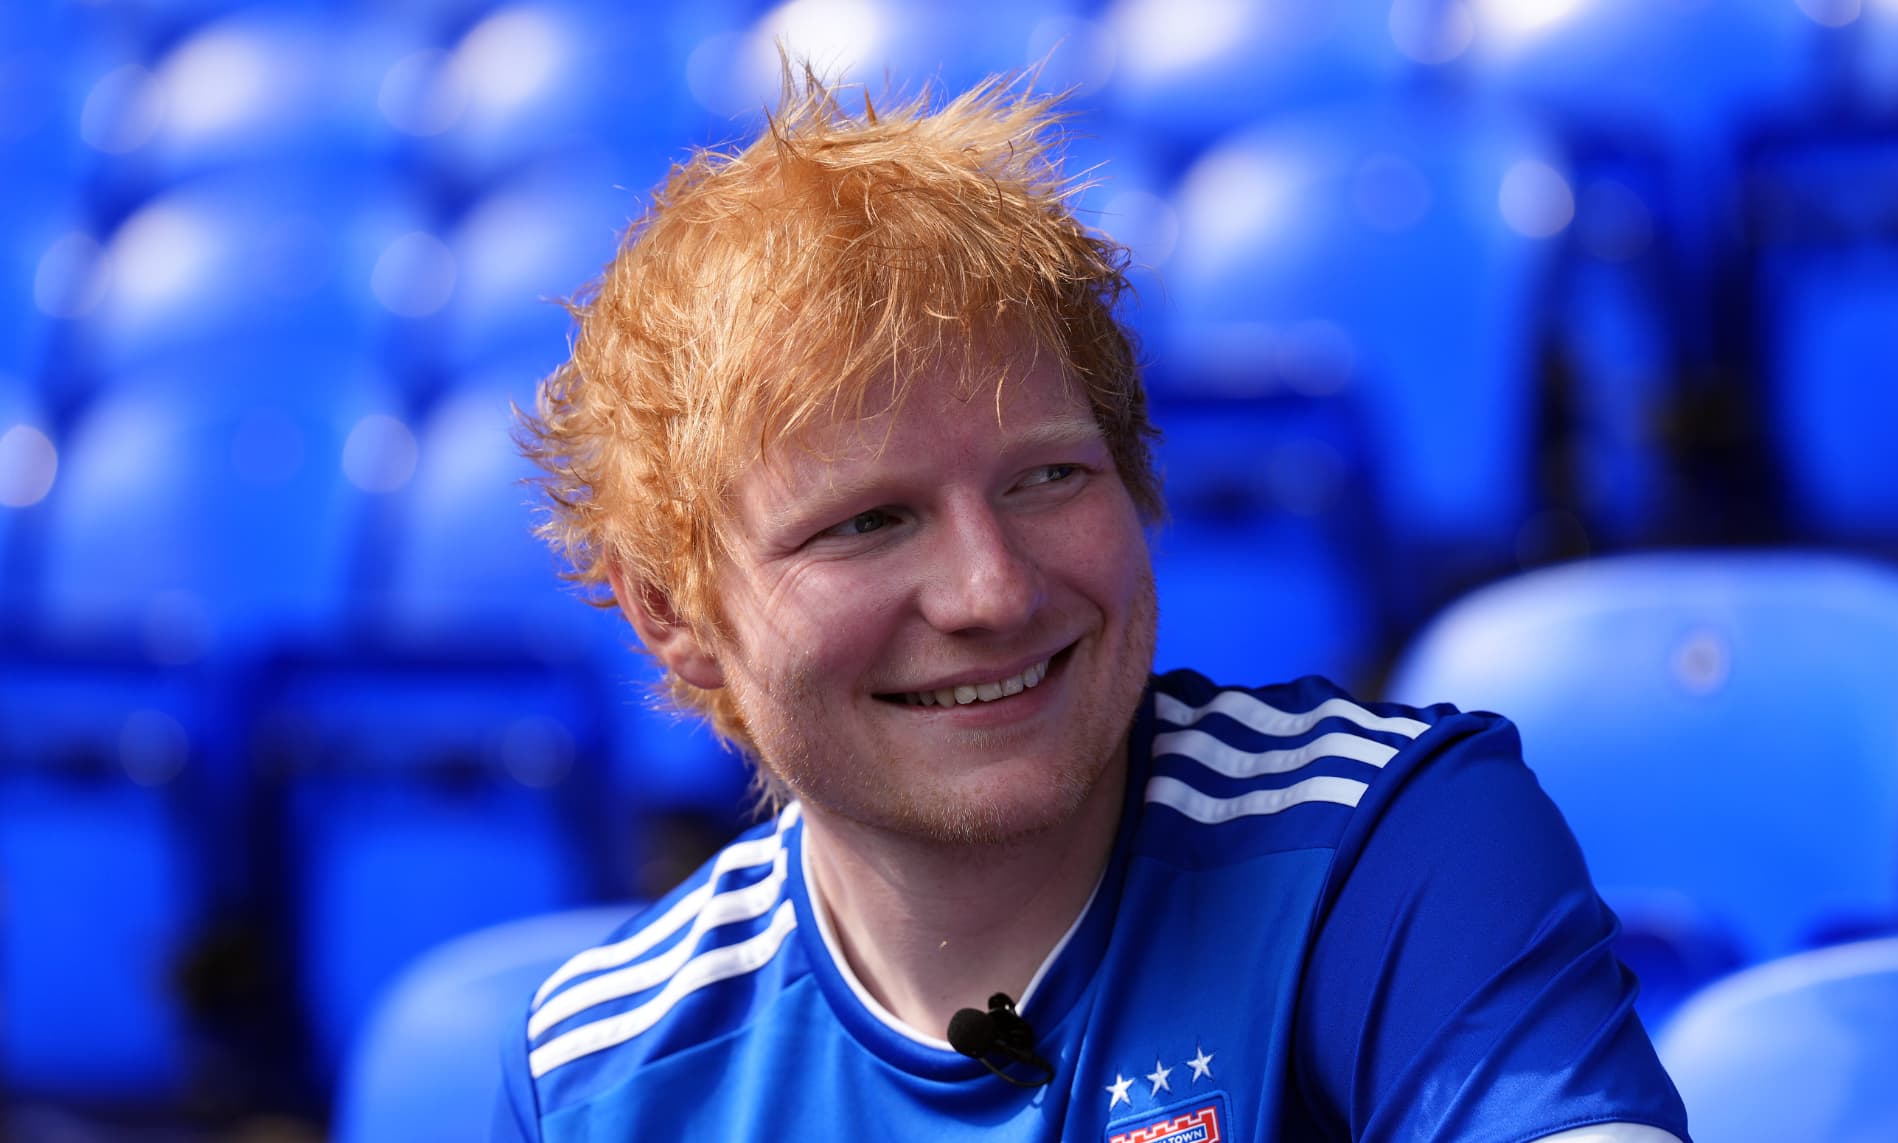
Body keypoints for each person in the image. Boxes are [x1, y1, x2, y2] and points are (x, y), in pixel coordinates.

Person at [494, 67, 1689, 1142]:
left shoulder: (1377, 847)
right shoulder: (595, 1080)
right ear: (671, 614)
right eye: (869, 522)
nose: (992, 590)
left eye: (1047, 478)